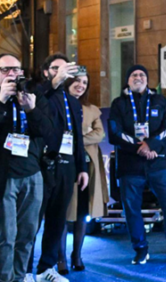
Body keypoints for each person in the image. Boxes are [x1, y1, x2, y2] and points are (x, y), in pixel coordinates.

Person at [0, 54, 56, 282]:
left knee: (27, 234)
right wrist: (0, 101)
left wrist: (32, 110)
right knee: (5, 236)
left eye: (16, 69)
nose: (12, 74)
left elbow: (49, 132)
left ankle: (19, 278)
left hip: (32, 174)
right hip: (0, 176)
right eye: (6, 69)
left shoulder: (33, 96)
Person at [107, 65, 166, 265]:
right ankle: (140, 249)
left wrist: (151, 145)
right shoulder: (118, 104)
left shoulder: (160, 101)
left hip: (158, 163)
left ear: (147, 80)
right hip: (130, 165)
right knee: (131, 209)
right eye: (134, 75)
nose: (138, 77)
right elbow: (114, 132)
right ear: (128, 80)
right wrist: (141, 147)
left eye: (142, 75)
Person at [33, 55, 88, 282]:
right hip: (41, 166)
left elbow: (77, 137)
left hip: (67, 166)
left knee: (57, 220)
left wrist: (82, 167)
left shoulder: (72, 101)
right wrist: (54, 82)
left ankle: (46, 267)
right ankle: (25, 270)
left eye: (64, 69)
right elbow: (35, 101)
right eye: (55, 68)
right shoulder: (40, 92)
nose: (60, 73)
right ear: (46, 71)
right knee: (32, 221)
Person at [61, 71, 106, 271]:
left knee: (82, 212)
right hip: (64, 165)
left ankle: (76, 255)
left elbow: (100, 134)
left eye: (85, 82)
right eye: (77, 80)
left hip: (87, 167)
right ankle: (59, 257)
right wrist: (83, 135)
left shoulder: (92, 109)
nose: (81, 85)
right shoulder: (57, 106)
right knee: (61, 212)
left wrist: (74, 139)